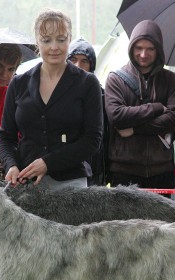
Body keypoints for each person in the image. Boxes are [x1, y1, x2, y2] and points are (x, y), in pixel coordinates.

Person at [0, 8, 103, 280]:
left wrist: (47, 162)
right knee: (33, 277)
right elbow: (6, 137)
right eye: (47, 39)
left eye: (61, 39)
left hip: (71, 190)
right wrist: (11, 165)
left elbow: (93, 141)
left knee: (66, 278)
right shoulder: (20, 82)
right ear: (37, 41)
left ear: (69, 38)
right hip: (27, 193)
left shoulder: (87, 85)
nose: (55, 46)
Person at [103, 19, 175, 280]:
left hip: (161, 170)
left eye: (149, 48)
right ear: (131, 47)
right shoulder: (115, 79)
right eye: (138, 47)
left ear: (158, 50)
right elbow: (115, 116)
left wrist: (133, 125)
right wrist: (154, 109)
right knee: (123, 238)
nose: (143, 53)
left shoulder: (171, 81)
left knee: (158, 238)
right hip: (125, 169)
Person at [68, 36, 108, 186]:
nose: (78, 65)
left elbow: (106, 137)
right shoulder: (55, 94)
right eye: (73, 59)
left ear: (91, 66)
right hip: (67, 168)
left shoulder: (101, 95)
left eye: (84, 61)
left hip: (95, 167)